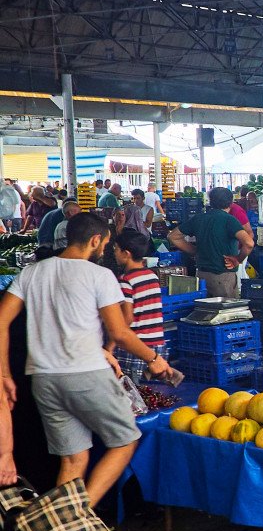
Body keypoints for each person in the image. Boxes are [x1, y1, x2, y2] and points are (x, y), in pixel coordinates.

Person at [0, 213, 175, 502]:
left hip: (44, 380)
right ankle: (80, 514)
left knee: (73, 460)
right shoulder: (100, 275)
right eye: (104, 243)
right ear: (95, 240)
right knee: (126, 440)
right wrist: (153, 358)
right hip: (87, 375)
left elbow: (2, 320)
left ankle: (60, 526)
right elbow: (119, 332)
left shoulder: (32, 273)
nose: (105, 249)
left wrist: (4, 373)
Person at [169, 186, 253, 299]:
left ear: (210, 202)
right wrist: (238, 259)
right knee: (226, 313)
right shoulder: (229, 220)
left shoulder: (199, 218)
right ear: (230, 203)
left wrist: (195, 251)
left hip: (201, 276)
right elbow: (249, 243)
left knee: (204, 313)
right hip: (223, 277)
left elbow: (173, 236)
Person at [111, 229, 166, 381]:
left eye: (116, 249)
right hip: (158, 347)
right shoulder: (152, 276)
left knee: (134, 396)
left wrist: (110, 345)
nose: (114, 253)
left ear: (126, 253)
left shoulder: (125, 280)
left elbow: (127, 319)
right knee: (152, 394)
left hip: (136, 349)